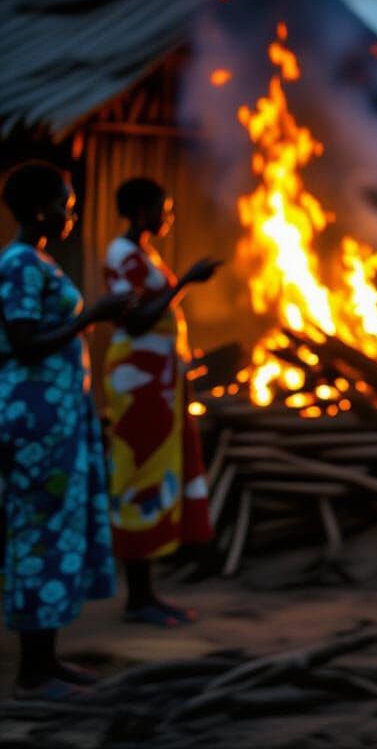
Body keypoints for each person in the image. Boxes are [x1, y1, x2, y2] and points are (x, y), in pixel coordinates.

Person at [0, 161, 129, 698]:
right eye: (64, 206)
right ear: (38, 209)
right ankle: (32, 674)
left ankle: (47, 660)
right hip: (34, 423)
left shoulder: (40, 261)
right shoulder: (19, 265)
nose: (70, 216)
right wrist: (91, 316)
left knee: (55, 531)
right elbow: (24, 341)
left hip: (56, 418)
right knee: (38, 532)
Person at [103, 177, 220, 627]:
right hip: (138, 382)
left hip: (159, 382)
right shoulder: (122, 255)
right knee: (139, 475)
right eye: (162, 208)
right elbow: (135, 321)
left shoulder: (143, 253)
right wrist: (185, 281)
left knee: (157, 475)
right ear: (141, 210)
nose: (167, 216)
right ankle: (137, 599)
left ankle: (148, 594)